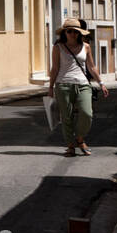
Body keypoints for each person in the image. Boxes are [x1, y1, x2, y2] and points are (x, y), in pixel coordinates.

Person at [47, 17, 109, 156]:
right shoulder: (58, 48)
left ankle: (80, 138)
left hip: (83, 84)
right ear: (65, 33)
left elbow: (92, 67)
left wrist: (101, 83)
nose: (73, 34)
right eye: (69, 31)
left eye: (76, 32)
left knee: (87, 113)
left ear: (80, 33)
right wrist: (51, 87)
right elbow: (55, 68)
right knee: (66, 117)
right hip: (63, 84)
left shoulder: (86, 47)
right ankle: (70, 146)